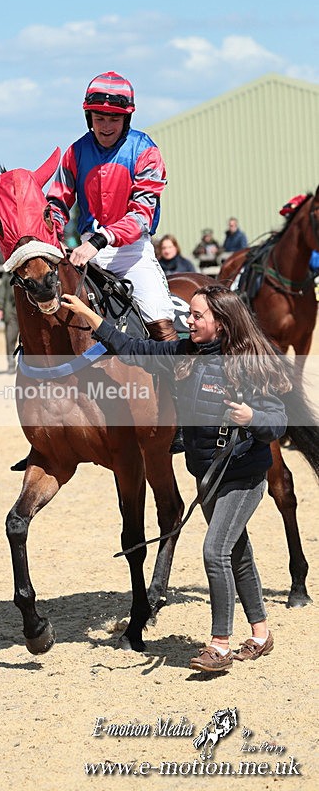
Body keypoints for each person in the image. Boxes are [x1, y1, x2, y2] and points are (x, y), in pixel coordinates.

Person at [60, 284, 289, 673]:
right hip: (207, 477)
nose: (188, 319)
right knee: (237, 553)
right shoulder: (184, 353)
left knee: (214, 551)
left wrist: (254, 419)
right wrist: (88, 314)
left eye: (197, 315)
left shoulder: (249, 362)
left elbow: (279, 422)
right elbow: (132, 348)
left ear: (221, 322)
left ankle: (219, 645)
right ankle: (262, 634)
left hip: (243, 477)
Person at [46, 70, 177, 341]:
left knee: (160, 324)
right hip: (85, 253)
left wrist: (100, 239)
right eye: (99, 118)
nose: (106, 126)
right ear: (88, 118)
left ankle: (179, 380)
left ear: (126, 118)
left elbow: (142, 215)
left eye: (114, 118)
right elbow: (57, 201)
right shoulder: (74, 152)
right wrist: (53, 232)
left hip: (132, 254)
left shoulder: (145, 151)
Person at [0, 270, 19, 372]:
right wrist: (0, 308)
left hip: (26, 311)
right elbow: (2, 292)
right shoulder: (7, 274)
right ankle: (11, 363)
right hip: (11, 311)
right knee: (10, 338)